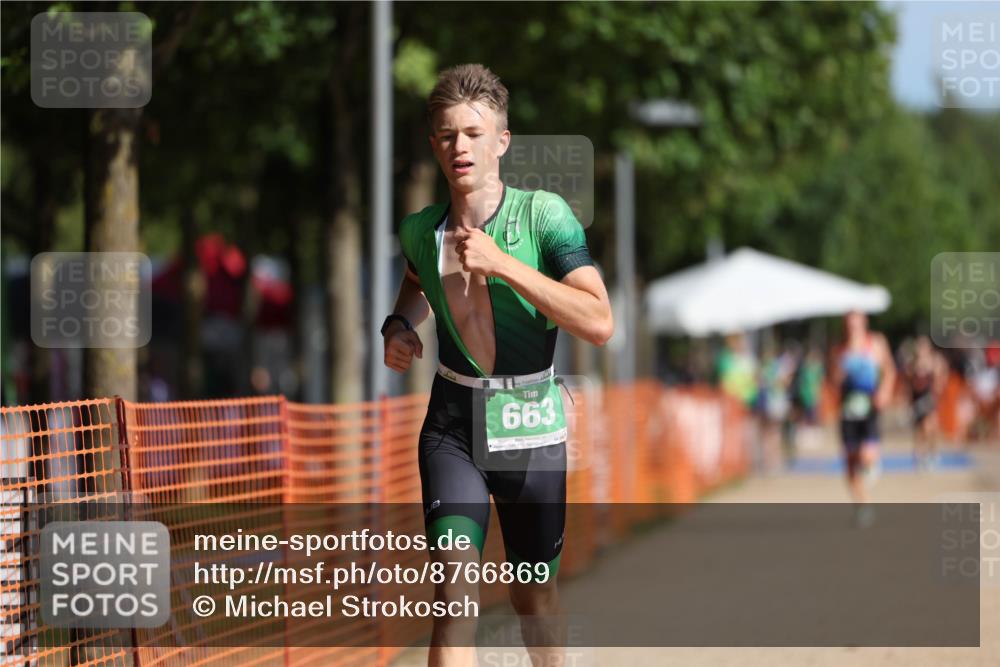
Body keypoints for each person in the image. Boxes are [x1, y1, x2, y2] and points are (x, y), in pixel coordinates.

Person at [381, 64, 613, 667]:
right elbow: (415, 283)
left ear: (501, 141)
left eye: (474, 133)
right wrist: (400, 325)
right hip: (452, 426)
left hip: (531, 428)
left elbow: (598, 320)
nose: (461, 146)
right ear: (434, 145)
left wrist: (501, 263)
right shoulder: (420, 231)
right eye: (447, 134)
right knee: (455, 598)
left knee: (533, 596)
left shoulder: (545, 216)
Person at [830, 311, 896, 526]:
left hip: (870, 408)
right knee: (850, 463)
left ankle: (871, 465)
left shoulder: (875, 343)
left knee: (866, 456)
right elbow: (832, 379)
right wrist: (838, 373)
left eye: (856, 321)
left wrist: (885, 390)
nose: (852, 326)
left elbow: (889, 370)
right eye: (849, 322)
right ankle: (863, 505)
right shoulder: (839, 349)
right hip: (848, 410)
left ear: (863, 321)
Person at [905, 335, 949, 469]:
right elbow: (908, 381)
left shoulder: (935, 361)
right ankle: (919, 455)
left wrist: (938, 387)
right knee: (920, 429)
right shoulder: (912, 363)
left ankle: (933, 453)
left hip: (929, 397)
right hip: (917, 398)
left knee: (931, 426)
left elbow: (942, 376)